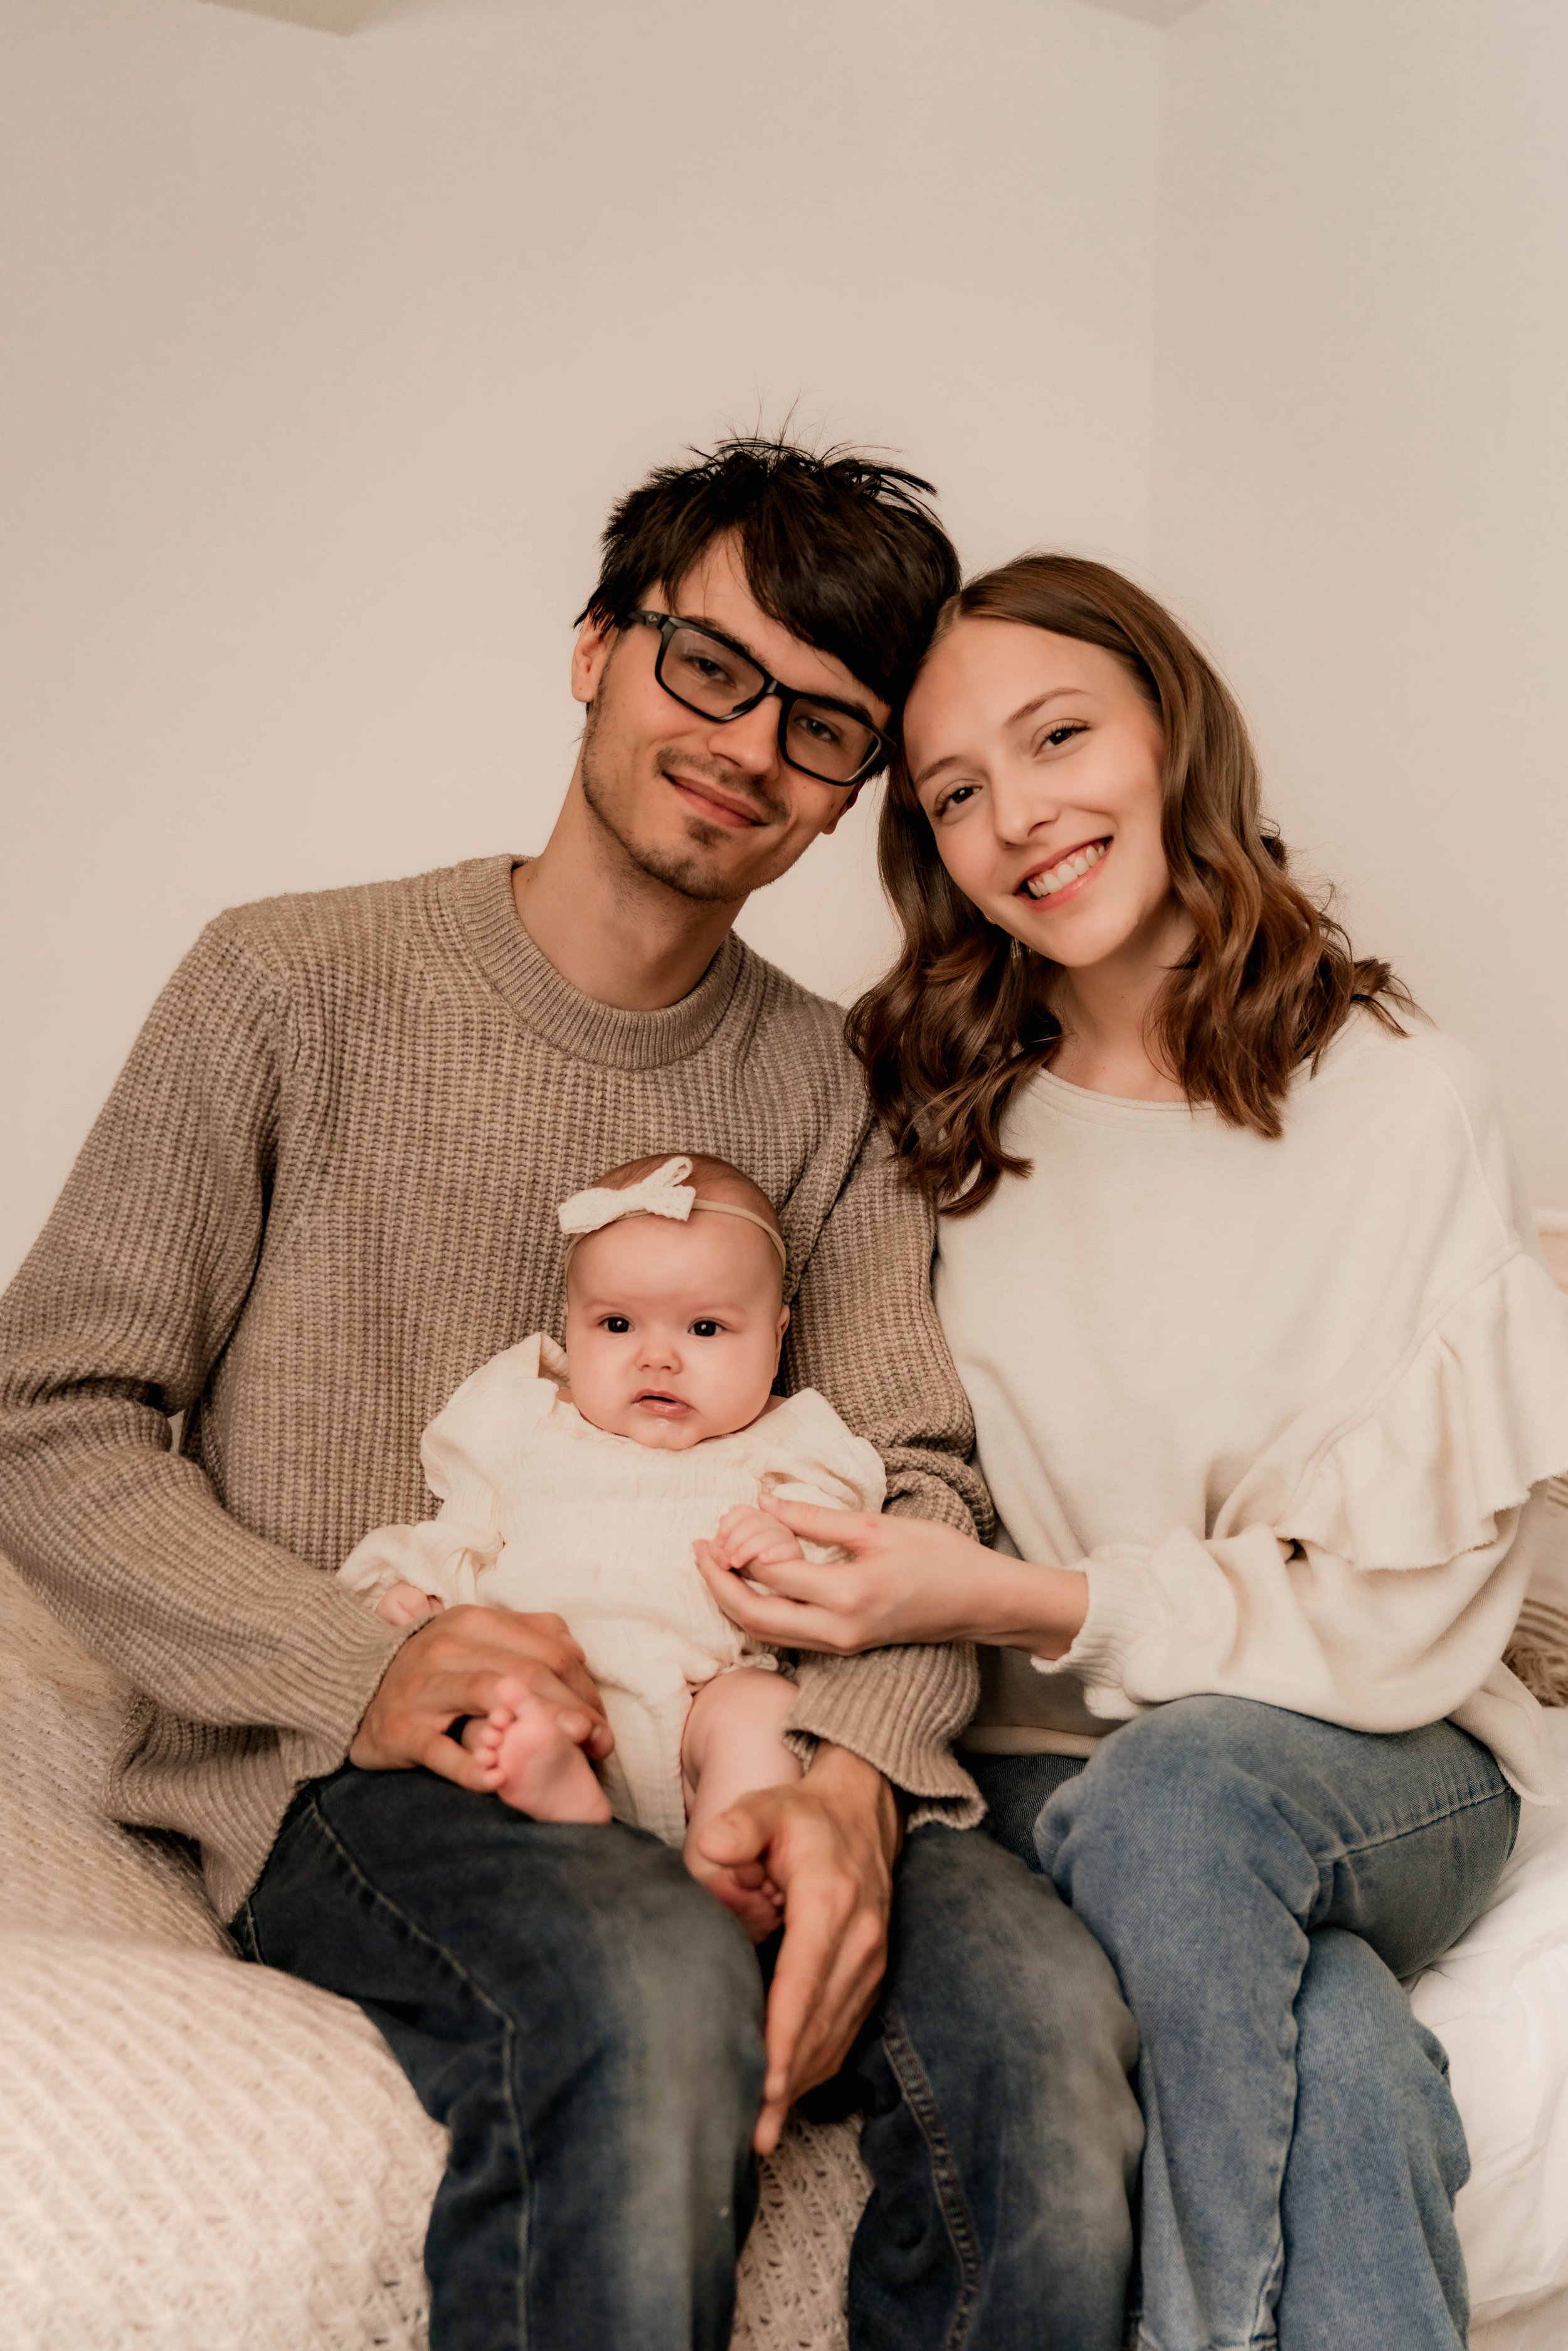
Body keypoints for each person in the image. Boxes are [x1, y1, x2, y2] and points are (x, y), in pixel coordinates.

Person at [0, 456, 1142, 2351]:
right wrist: (347, 1650)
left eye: (819, 723)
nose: (746, 744)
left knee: (1048, 2035)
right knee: (643, 1971)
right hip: (373, 1763)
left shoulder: (821, 1085)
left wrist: (847, 1771)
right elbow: (46, 1408)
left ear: (851, 786)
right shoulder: (289, 983)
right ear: (598, 649)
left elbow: (918, 1478)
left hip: (732, 1732)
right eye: (705, 665)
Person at [699, 551, 1568, 2351]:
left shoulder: (1401, 1105)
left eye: (1056, 736)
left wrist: (1026, 1592)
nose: (1016, 816)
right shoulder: (921, 1101)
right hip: (1026, 1771)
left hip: (1375, 1759)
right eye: (952, 792)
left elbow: (1395, 1621)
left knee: (1180, 1797)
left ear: (1170, 730)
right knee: (1333, 2050)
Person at [339, 1149, 887, 1943]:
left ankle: (727, 1858)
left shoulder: (788, 1444)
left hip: (704, 1697)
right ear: (571, 1323)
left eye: (704, 1328)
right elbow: (459, 1537)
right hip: (551, 1676)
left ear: (776, 1334)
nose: (656, 1356)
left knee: (762, 1713)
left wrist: (789, 1554)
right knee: (490, 1701)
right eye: (616, 1324)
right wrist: (413, 1605)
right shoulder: (529, 1423)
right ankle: (565, 1804)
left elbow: (849, 1571)